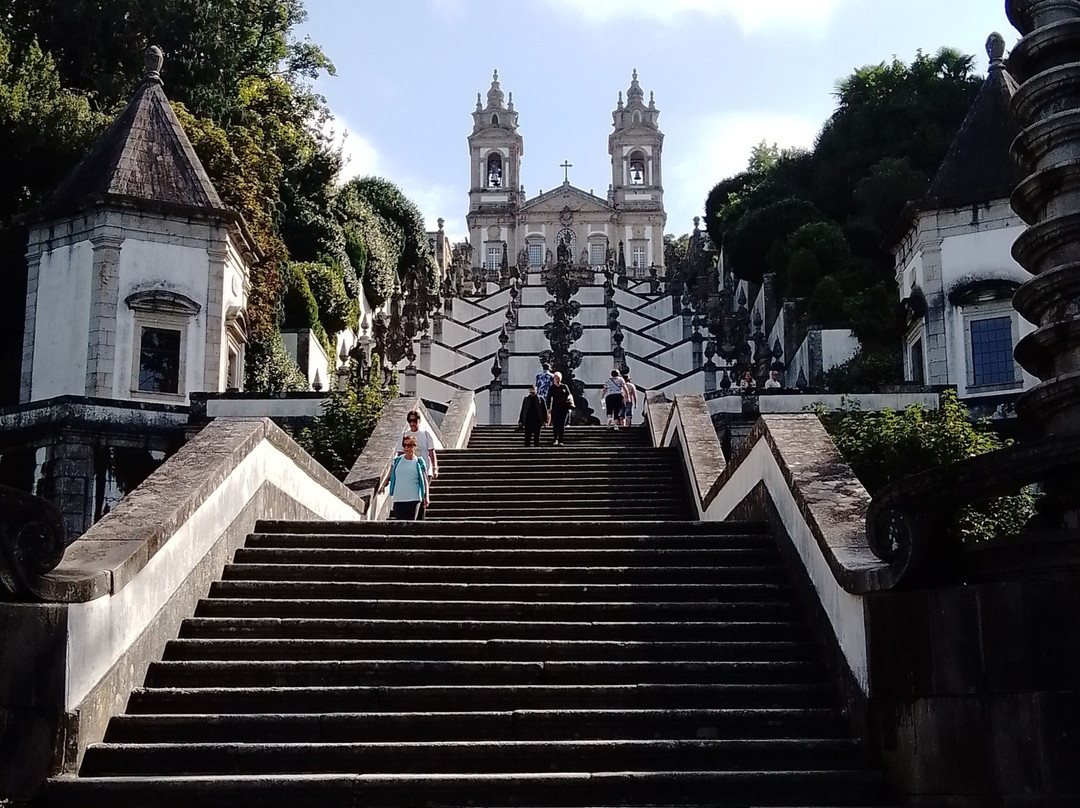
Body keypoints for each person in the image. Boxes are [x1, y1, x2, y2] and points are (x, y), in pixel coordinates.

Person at [379, 435, 429, 520]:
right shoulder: (397, 460)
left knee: (410, 524)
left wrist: (426, 497)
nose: (406, 448)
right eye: (404, 445)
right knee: (399, 525)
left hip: (414, 498)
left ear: (414, 447)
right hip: (399, 498)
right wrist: (383, 486)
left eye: (409, 445)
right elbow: (390, 476)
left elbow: (425, 481)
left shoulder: (419, 462)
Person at [395, 410, 438, 478]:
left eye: (414, 420)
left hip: (425, 469)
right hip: (409, 470)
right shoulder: (404, 435)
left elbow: (431, 452)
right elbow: (400, 453)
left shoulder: (426, 434)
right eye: (410, 421)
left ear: (419, 420)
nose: (412, 423)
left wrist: (434, 468)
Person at [547, 371, 574, 446]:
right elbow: (548, 398)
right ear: (554, 379)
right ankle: (555, 439)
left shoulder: (564, 386)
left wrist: (569, 403)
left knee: (562, 425)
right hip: (555, 408)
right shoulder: (552, 388)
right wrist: (548, 408)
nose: (557, 380)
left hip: (564, 408)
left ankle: (561, 440)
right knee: (555, 424)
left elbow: (569, 395)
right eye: (556, 378)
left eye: (558, 378)